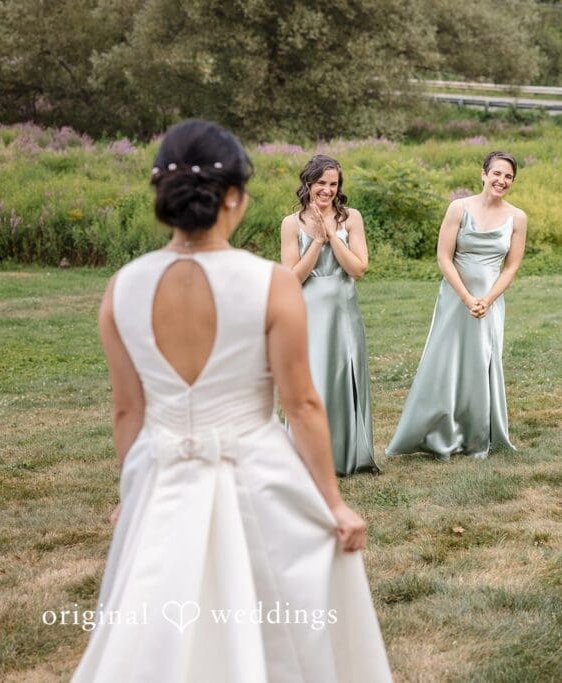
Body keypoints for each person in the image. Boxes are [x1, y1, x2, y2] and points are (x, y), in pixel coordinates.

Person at [74, 120, 391, 682]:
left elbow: (127, 411)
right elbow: (302, 404)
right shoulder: (271, 283)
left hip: (161, 480)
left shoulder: (123, 286)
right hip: (258, 477)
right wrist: (333, 502)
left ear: (163, 195)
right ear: (235, 197)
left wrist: (131, 488)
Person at [386, 151, 527, 459]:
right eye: (497, 173)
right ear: (483, 174)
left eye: (508, 177)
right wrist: (466, 298)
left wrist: (487, 300)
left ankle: (476, 434)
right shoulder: (459, 208)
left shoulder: (518, 217)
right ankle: (436, 431)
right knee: (445, 360)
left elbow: (512, 266)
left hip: (490, 301)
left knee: (481, 359)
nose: (502, 180)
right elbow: (443, 257)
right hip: (455, 297)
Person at [280, 155, 377, 476]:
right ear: (308, 183)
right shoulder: (291, 223)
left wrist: (333, 236)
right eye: (321, 183)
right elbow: (292, 278)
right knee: (313, 379)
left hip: (344, 309)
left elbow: (358, 268)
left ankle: (346, 454)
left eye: (333, 184)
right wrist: (317, 241)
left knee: (342, 375)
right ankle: (308, 456)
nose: (327, 190)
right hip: (308, 311)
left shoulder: (352, 218)